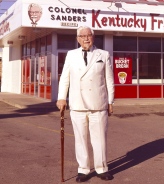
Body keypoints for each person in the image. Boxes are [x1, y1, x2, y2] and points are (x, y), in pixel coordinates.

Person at [56, 25, 114, 182]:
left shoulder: (103, 54)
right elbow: (65, 78)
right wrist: (61, 97)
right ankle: (83, 169)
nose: (86, 38)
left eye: (88, 35)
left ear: (93, 37)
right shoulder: (71, 55)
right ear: (77, 39)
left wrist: (110, 101)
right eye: (82, 36)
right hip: (78, 104)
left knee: (100, 138)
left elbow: (109, 79)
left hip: (98, 104)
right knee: (80, 138)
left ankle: (102, 168)